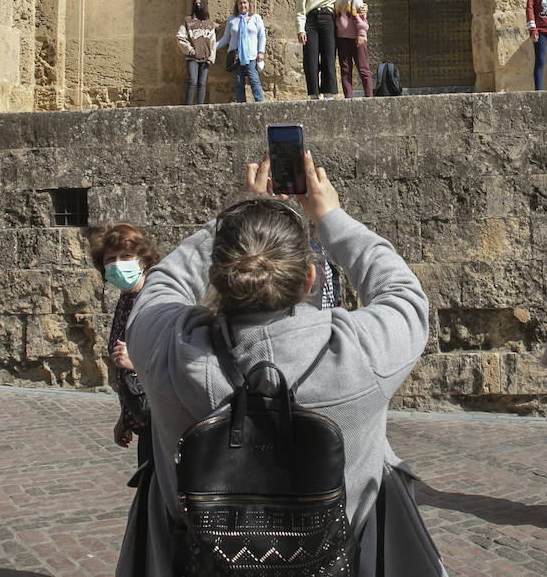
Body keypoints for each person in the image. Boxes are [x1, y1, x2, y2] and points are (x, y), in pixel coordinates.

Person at [116, 153, 429, 576]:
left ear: (218, 276)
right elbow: (403, 293)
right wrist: (329, 217)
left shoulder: (166, 349)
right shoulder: (361, 356)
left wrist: (235, 217)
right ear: (308, 281)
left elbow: (164, 283)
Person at [89, 223, 161, 467]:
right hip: (144, 418)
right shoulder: (126, 299)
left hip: (164, 424)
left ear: (143, 259)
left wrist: (137, 360)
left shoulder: (155, 298)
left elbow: (180, 355)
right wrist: (126, 416)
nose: (118, 264)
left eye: (127, 256)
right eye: (111, 259)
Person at [297, 0, 339, 99]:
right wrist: (300, 29)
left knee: (329, 57)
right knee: (311, 58)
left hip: (328, 19)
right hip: (311, 21)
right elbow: (300, 9)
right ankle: (314, 93)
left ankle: (328, 93)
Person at [217, 0, 266, 103]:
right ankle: (241, 105)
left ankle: (260, 104)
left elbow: (262, 35)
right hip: (236, 56)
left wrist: (261, 52)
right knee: (238, 82)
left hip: (251, 56)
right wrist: (212, 48)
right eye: (240, 3)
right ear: (237, 6)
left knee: (254, 80)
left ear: (249, 5)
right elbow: (225, 38)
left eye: (244, 3)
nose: (242, 5)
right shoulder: (232, 20)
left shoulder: (256, 18)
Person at [332, 0, 373, 98]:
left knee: (363, 68)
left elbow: (359, 13)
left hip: (356, 37)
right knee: (345, 70)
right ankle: (348, 99)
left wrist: (361, 33)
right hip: (341, 38)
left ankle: (369, 97)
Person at [176, 0, 217, 105]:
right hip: (193, 57)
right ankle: (188, 106)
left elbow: (213, 41)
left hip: (205, 57)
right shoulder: (188, 21)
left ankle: (200, 106)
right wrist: (190, 50)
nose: (198, 6)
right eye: (196, 4)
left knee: (202, 83)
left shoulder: (209, 24)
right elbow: (180, 37)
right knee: (192, 81)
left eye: (200, 4)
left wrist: (211, 56)